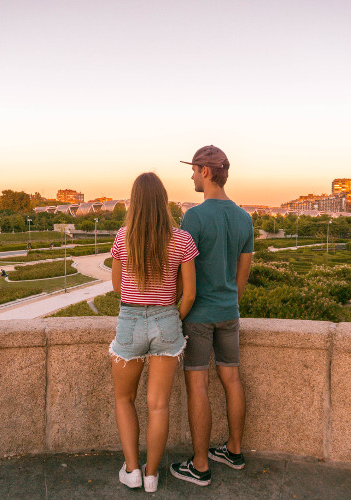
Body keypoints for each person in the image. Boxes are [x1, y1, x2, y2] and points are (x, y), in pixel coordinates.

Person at [170, 145, 254, 486]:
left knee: (198, 385)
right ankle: (233, 451)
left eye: (193, 169)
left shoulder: (194, 217)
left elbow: (181, 272)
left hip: (199, 315)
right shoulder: (244, 217)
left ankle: (200, 465)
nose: (190, 175)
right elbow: (243, 273)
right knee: (232, 379)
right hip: (229, 312)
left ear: (206, 171)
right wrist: (229, 302)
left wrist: (176, 310)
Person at [110, 172, 199, 493]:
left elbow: (119, 287)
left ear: (134, 202)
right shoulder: (182, 239)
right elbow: (189, 294)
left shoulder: (123, 238)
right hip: (167, 321)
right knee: (158, 405)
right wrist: (171, 316)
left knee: (124, 398)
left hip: (130, 320)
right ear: (164, 201)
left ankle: (132, 469)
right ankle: (151, 477)